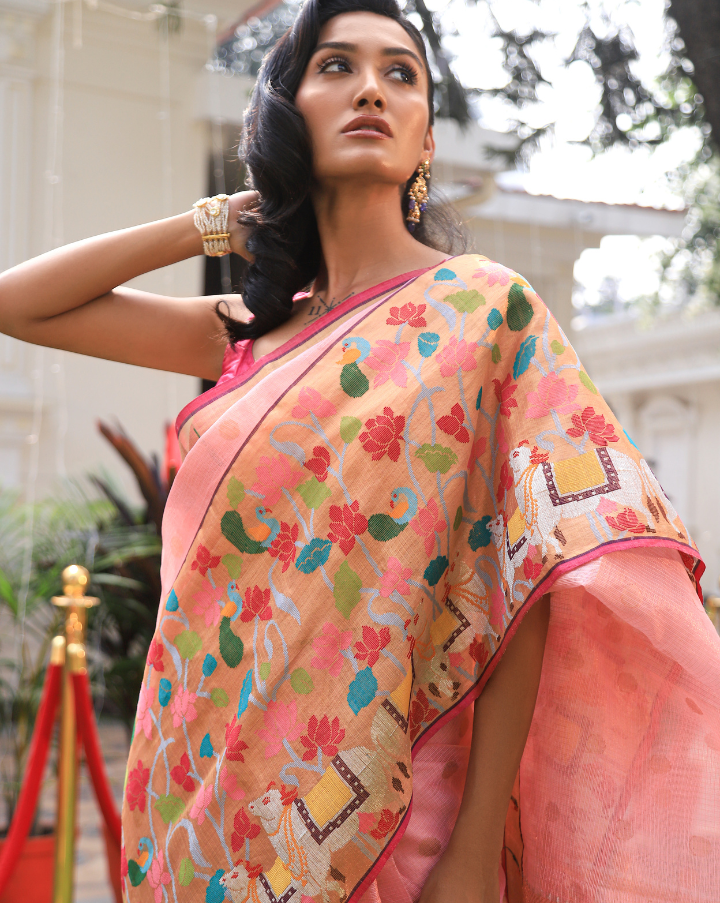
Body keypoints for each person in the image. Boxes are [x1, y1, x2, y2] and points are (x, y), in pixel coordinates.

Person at [0, 2, 718, 901]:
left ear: (423, 139)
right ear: (286, 115)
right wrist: (214, 222)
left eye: (401, 73)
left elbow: (530, 580)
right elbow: (20, 303)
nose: (371, 87)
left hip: (401, 802)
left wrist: (469, 848)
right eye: (336, 67)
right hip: (204, 793)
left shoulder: (484, 312)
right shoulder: (252, 338)